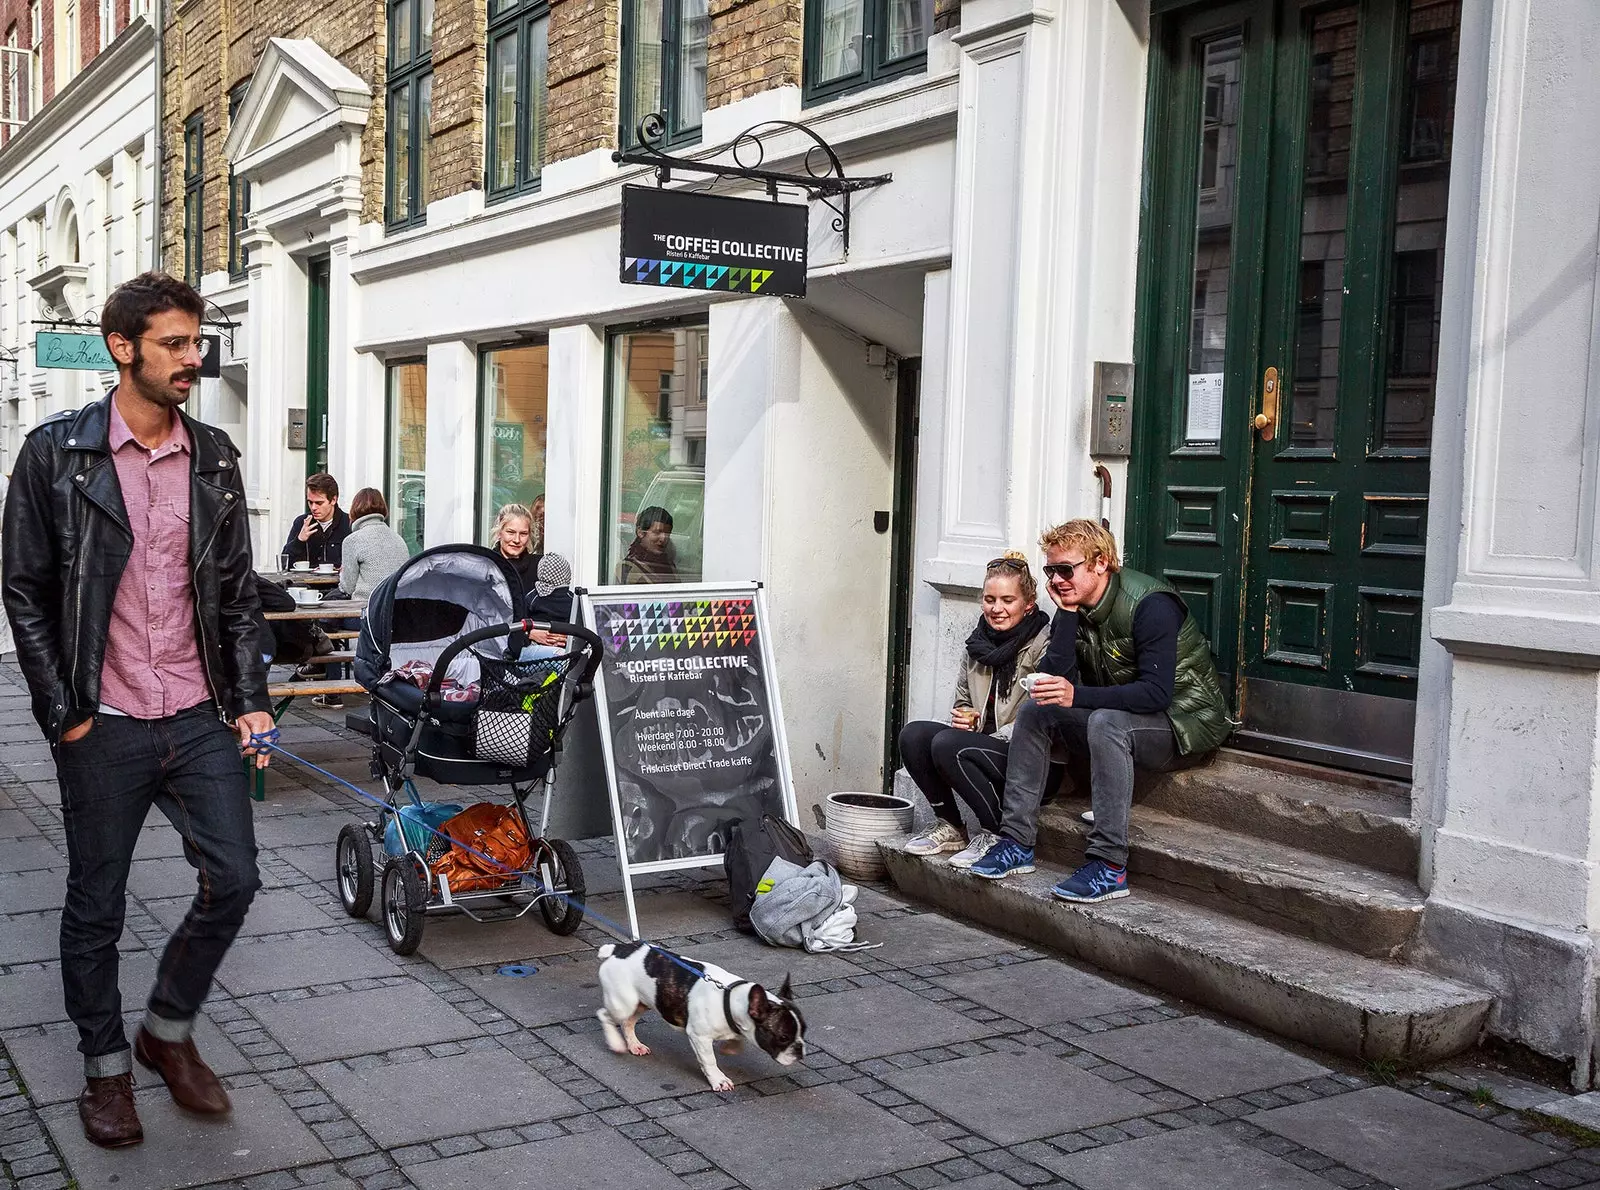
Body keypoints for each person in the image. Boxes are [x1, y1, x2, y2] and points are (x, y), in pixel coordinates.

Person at [1, 272, 275, 1149]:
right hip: (105, 718)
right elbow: (26, 589)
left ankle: (166, 1030)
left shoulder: (216, 456)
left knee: (233, 879)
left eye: (197, 342)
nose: (194, 358)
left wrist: (252, 702)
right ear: (124, 348)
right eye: (176, 344)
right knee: (97, 904)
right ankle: (106, 1071)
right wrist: (63, 711)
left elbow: (235, 594)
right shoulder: (54, 454)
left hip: (199, 714)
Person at [969, 519, 1232, 902]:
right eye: (1051, 571)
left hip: (1184, 722)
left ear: (1101, 563)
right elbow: (1054, 678)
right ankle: (1016, 843)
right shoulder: (1073, 604)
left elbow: (1156, 695)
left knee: (1107, 723)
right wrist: (1067, 615)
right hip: (1120, 718)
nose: (1057, 580)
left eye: (1066, 569)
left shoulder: (1150, 605)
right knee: (1036, 712)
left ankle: (1109, 865)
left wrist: (1076, 696)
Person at [898, 553, 1051, 868]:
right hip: (983, 747)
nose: (997, 608)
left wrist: (985, 736)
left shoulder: (1041, 644)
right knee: (913, 735)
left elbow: (1041, 715)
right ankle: (951, 826)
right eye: (990, 599)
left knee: (948, 745)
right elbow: (963, 700)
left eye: (1008, 600)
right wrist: (967, 718)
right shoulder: (978, 646)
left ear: (1029, 603)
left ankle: (996, 833)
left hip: (1030, 757)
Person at [490, 502, 566, 654]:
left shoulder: (542, 566)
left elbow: (557, 604)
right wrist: (529, 633)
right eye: (510, 532)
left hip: (550, 646)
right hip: (504, 650)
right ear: (500, 533)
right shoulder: (488, 568)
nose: (517, 540)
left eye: (523, 534)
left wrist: (561, 634)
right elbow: (487, 619)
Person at [339, 488, 410, 601]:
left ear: (354, 510)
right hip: (395, 610)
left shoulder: (352, 540)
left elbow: (348, 587)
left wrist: (342, 573)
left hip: (364, 611)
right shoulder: (399, 539)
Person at [281, 472, 350, 569]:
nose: (313, 507)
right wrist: (299, 541)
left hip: (336, 583)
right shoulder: (301, 522)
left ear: (333, 500)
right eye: (310, 502)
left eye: (319, 503)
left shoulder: (348, 524)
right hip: (305, 583)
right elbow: (285, 564)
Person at [616, 505, 678, 583]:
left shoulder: (668, 565)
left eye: (667, 534)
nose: (663, 539)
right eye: (657, 532)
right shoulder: (627, 568)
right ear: (640, 532)